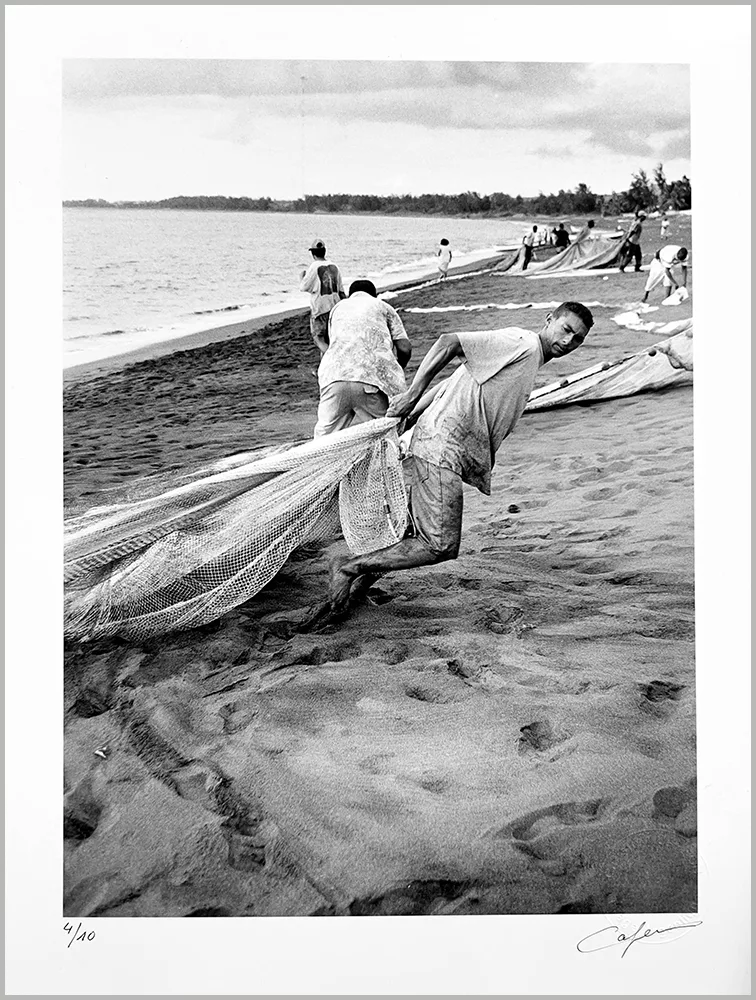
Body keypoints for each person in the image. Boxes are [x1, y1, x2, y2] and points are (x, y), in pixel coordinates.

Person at [327, 301, 594, 612]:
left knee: (414, 534)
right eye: (566, 329)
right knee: (439, 544)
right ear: (549, 320)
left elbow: (455, 379)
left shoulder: (529, 357)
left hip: (440, 445)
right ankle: (347, 568)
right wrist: (412, 395)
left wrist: (411, 415)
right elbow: (449, 342)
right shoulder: (522, 343)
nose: (568, 341)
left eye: (578, 339)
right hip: (441, 447)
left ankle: (356, 590)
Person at [314, 279, 412, 438]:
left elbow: (332, 344)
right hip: (369, 381)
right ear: (374, 295)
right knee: (387, 433)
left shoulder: (338, 308)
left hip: (334, 379)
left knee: (324, 439)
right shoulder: (382, 306)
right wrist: (398, 367)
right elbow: (404, 348)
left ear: (350, 295)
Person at [299, 239, 346, 353]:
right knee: (331, 338)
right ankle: (326, 361)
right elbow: (341, 290)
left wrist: (302, 277)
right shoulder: (334, 266)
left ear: (313, 253)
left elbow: (304, 287)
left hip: (320, 309)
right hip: (335, 307)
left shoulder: (314, 266)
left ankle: (331, 357)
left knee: (318, 339)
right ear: (324, 251)